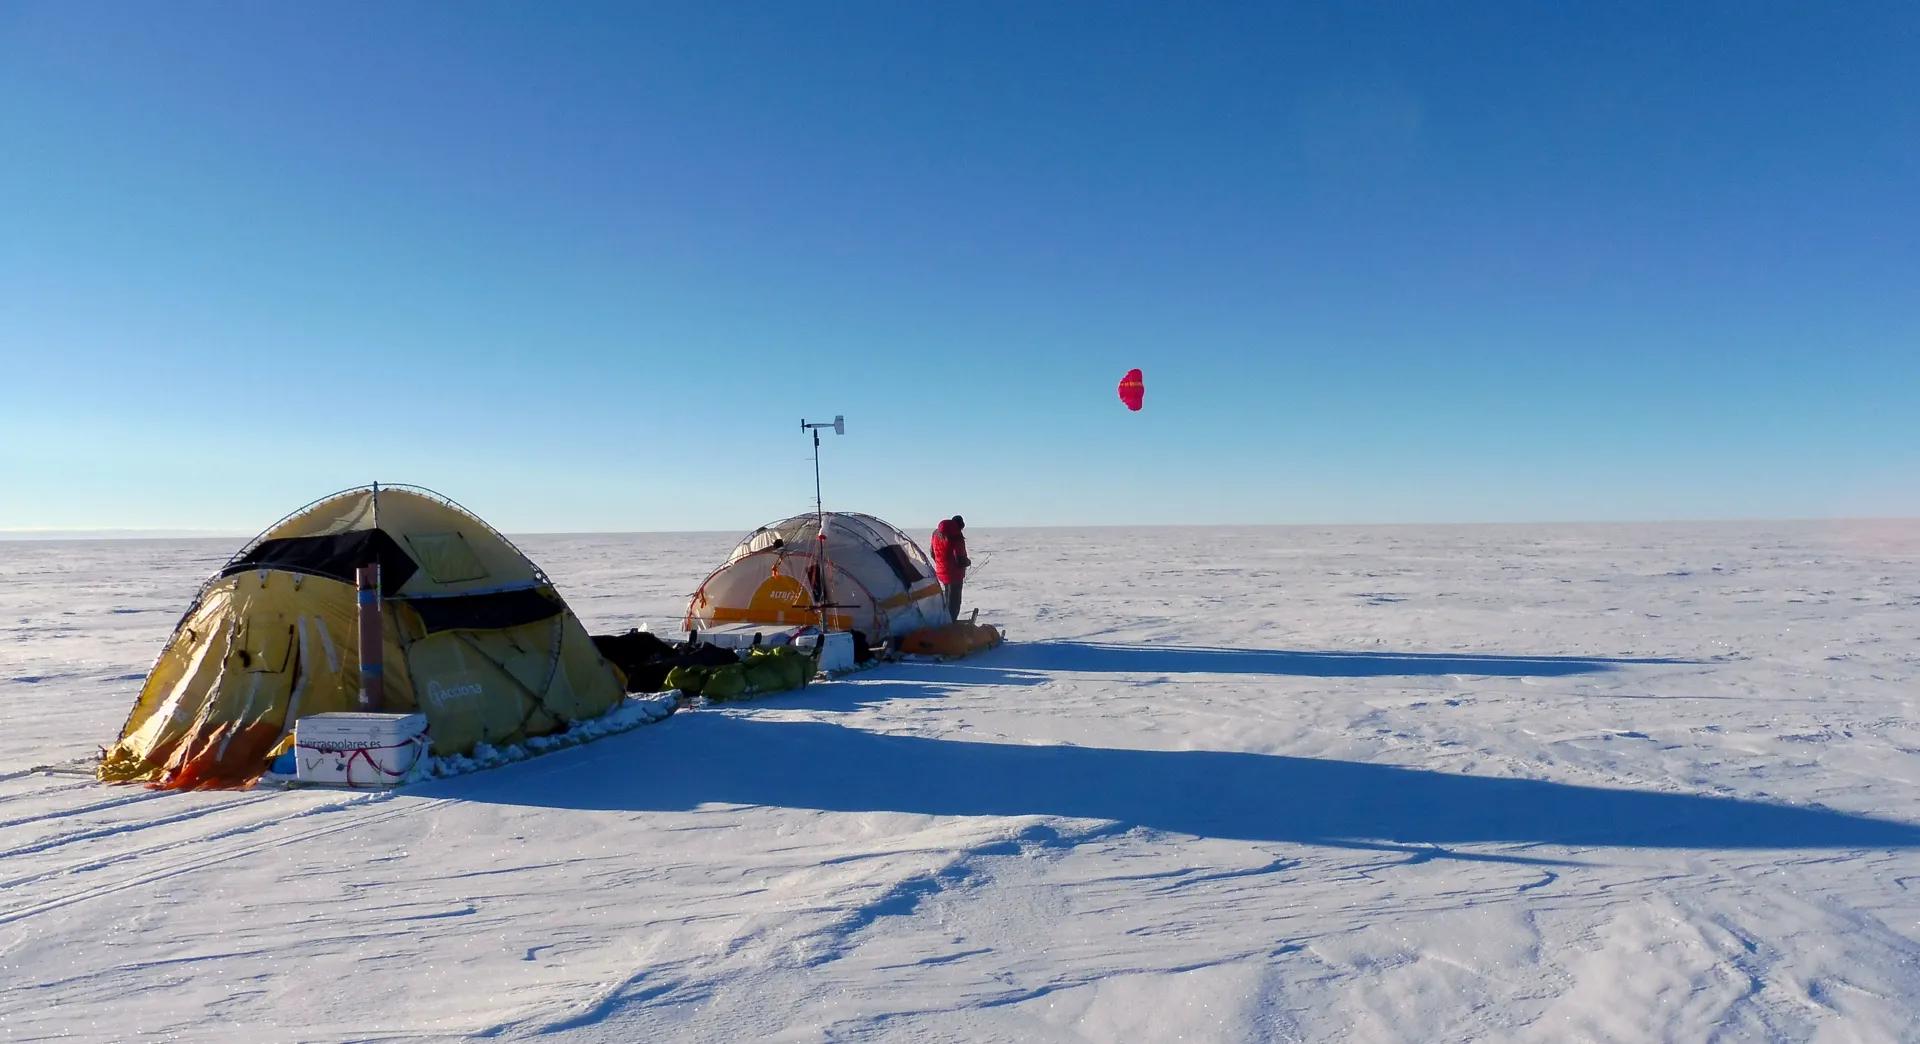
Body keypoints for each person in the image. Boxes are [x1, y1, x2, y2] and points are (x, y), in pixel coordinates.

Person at [930, 515, 971, 622]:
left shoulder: (936, 533)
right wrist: (967, 562)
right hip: (954, 575)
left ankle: (945, 620)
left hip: (941, 571)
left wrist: (941, 564)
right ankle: (950, 624)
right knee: (954, 602)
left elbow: (932, 553)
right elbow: (960, 560)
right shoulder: (956, 536)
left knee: (947, 598)